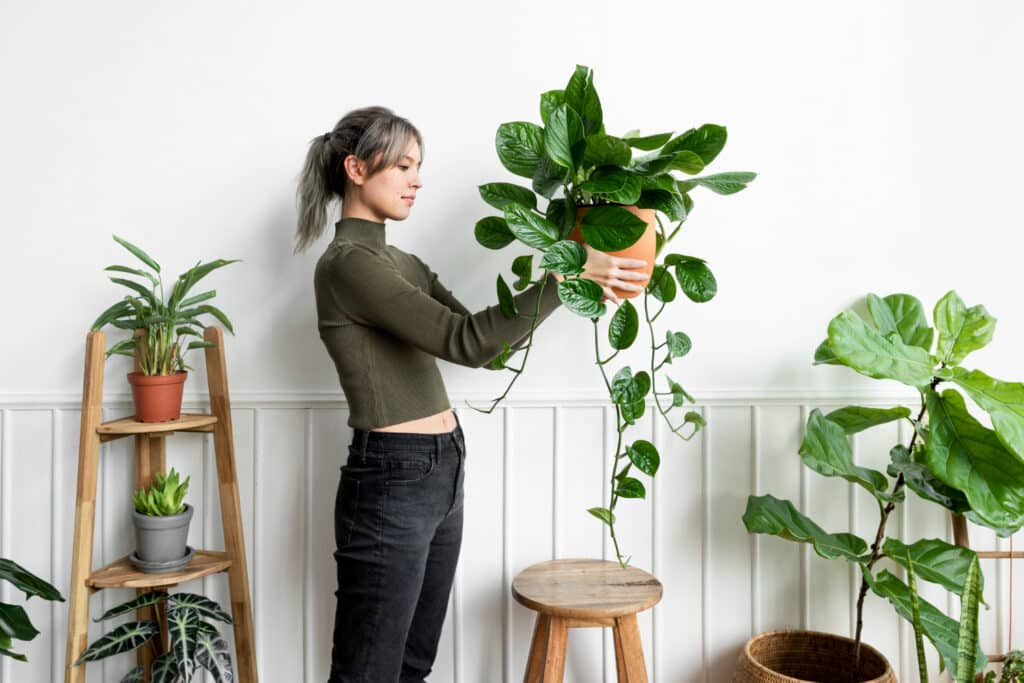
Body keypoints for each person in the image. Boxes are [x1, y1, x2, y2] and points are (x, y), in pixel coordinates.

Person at [294, 105, 649, 683]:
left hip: (442, 469)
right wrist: (563, 276)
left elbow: (493, 347)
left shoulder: (402, 261)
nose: (417, 179)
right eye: (403, 165)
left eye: (419, 166)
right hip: (391, 480)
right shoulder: (348, 265)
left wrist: (571, 276)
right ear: (356, 169)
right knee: (368, 671)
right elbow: (465, 342)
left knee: (412, 663)